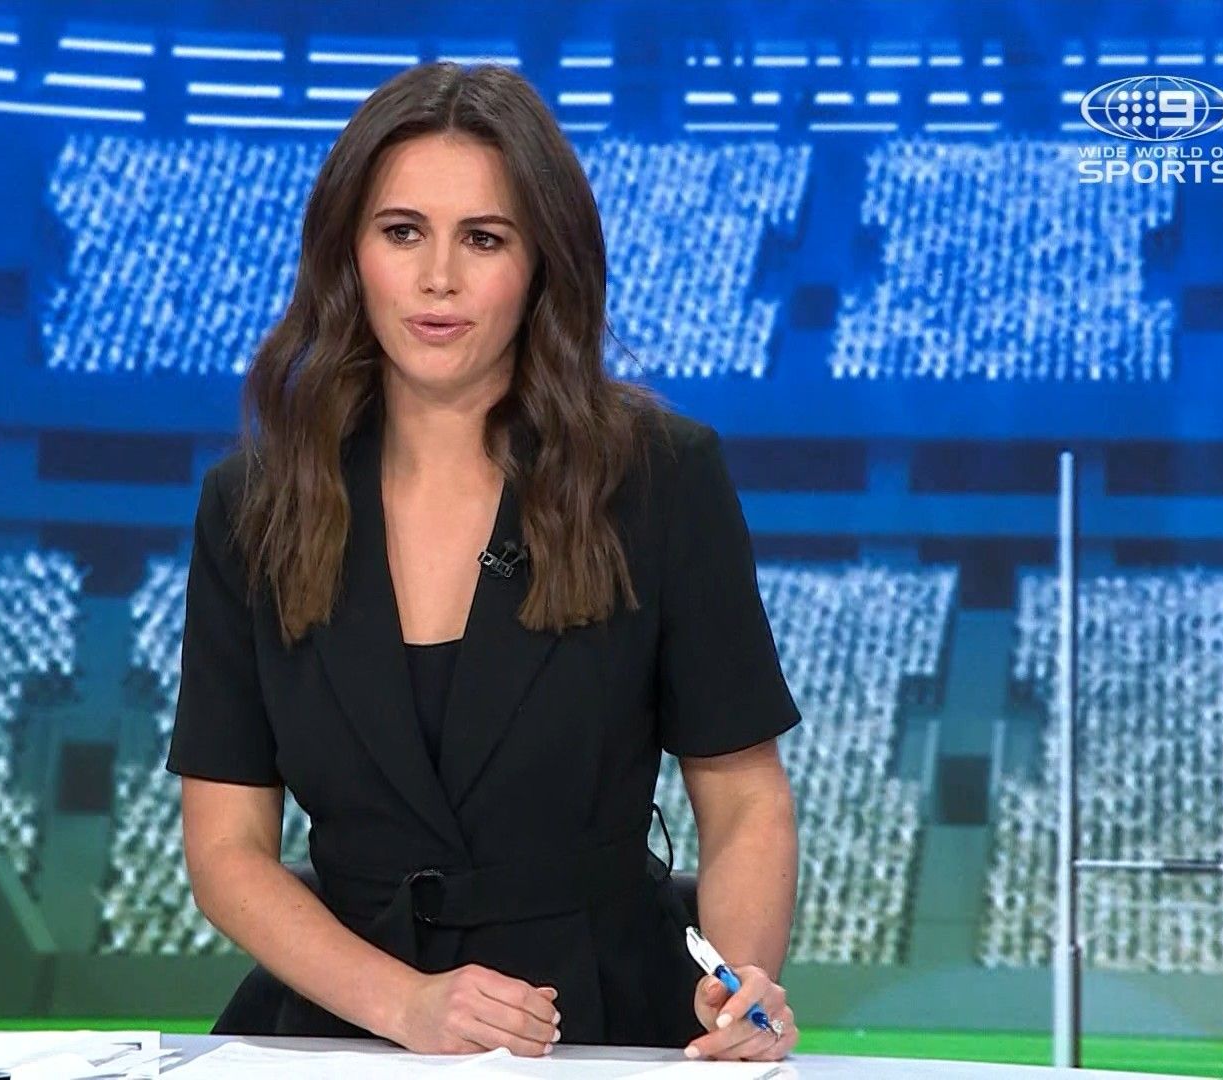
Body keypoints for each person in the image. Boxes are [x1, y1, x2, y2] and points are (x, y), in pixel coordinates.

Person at [165, 60, 803, 1062]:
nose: (438, 278)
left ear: (543, 261)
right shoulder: (252, 505)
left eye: (485, 238)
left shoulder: (659, 479)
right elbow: (226, 850)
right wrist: (406, 1007)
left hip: (605, 1021)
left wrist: (741, 982)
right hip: (346, 1025)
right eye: (402, 231)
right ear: (349, 253)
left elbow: (745, 802)